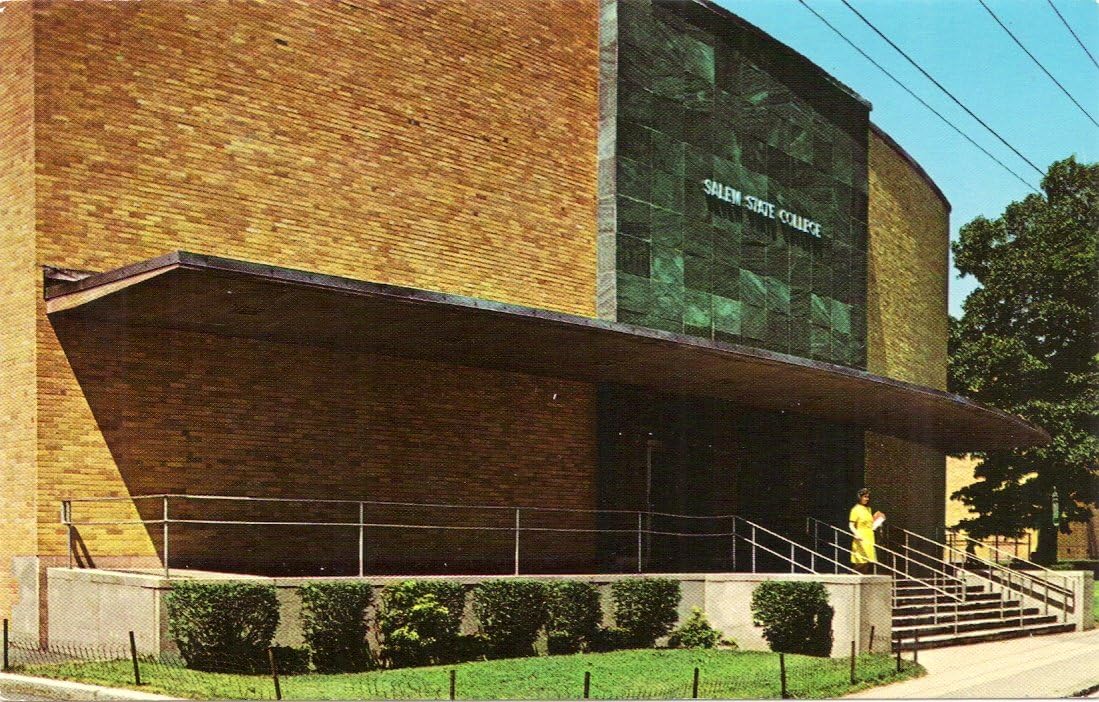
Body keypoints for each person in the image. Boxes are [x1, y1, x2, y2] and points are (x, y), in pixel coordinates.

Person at [849, 488, 883, 574]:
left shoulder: (868, 509)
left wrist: (878, 520)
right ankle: (854, 578)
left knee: (868, 561)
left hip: (869, 536)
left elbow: (870, 523)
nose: (867, 499)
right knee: (861, 561)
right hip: (861, 536)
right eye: (865, 497)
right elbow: (851, 525)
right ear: (860, 497)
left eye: (868, 497)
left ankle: (864, 581)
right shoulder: (855, 509)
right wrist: (856, 534)